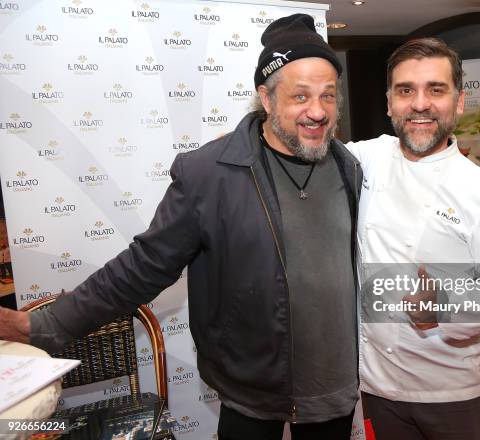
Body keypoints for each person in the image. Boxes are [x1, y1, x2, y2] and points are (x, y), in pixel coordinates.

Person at [0, 14, 362, 440]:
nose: (317, 111)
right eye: (300, 96)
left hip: (335, 387)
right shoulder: (211, 173)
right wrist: (42, 324)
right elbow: (142, 267)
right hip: (252, 387)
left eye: (328, 96)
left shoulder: (349, 167)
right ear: (266, 98)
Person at [346, 38, 480, 440]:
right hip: (375, 384)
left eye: (436, 89)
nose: (420, 104)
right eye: (406, 90)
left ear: (459, 102)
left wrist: (444, 307)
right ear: (390, 102)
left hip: (451, 394)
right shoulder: (367, 159)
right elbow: (299, 150)